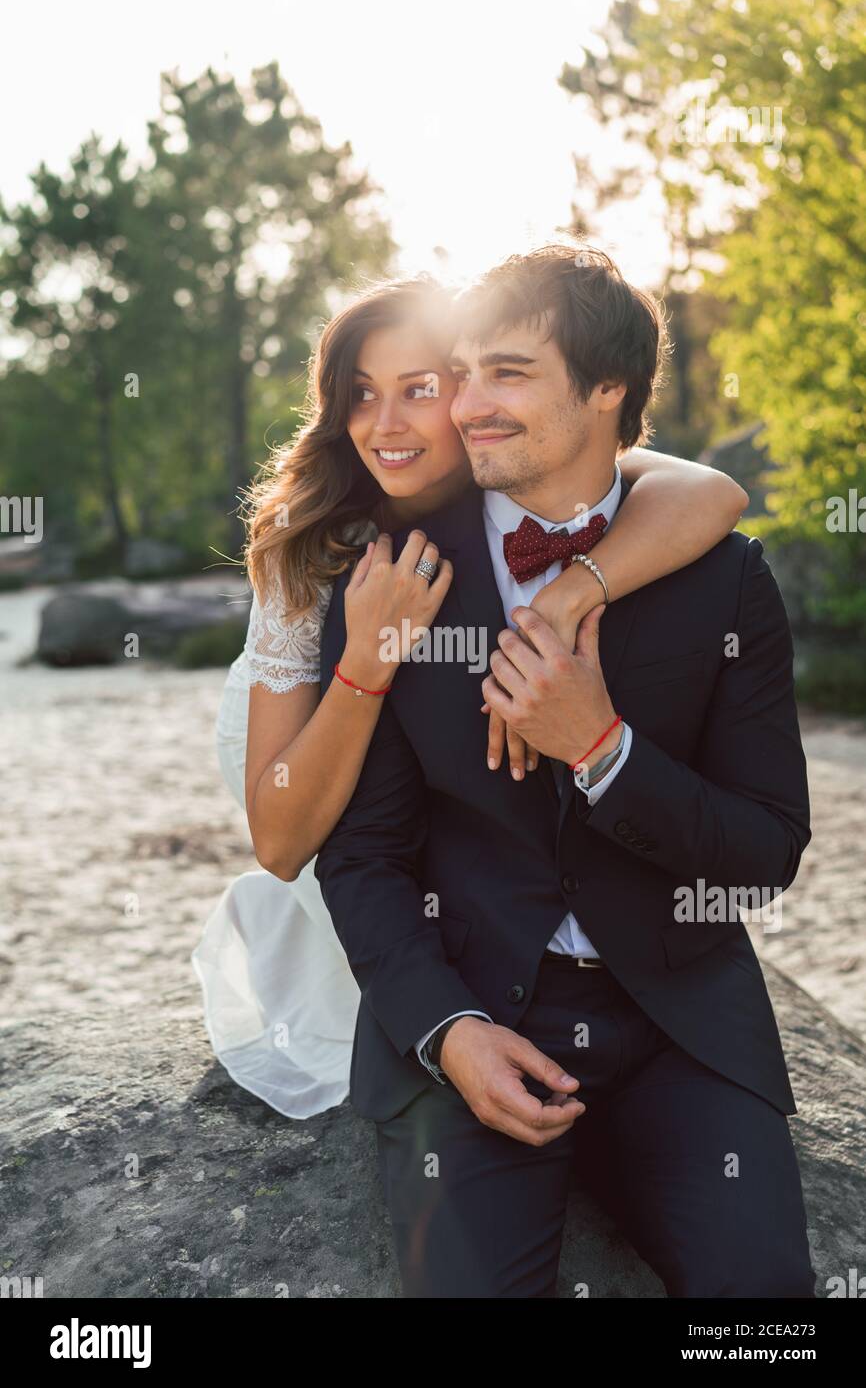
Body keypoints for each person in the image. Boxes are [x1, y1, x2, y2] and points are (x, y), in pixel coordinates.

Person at [313, 245, 816, 1298]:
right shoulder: (394, 582)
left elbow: (765, 848)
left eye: (506, 373)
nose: (465, 405)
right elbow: (359, 857)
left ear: (605, 390)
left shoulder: (725, 582)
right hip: (475, 1010)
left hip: (678, 1016)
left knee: (762, 1309)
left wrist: (601, 750)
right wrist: (447, 1034)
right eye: (461, 371)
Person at [192, 270, 748, 1122]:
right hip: (320, 816)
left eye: (421, 389)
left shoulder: (519, 466)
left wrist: (559, 607)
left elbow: (712, 492)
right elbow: (280, 841)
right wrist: (372, 655)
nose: (385, 426)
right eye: (359, 394)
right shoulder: (309, 544)